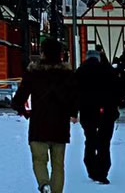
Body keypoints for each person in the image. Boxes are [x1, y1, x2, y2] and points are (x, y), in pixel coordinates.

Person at [11, 38, 78, 193]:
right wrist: (73, 113)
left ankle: (44, 184)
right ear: (60, 54)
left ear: (43, 53)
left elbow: (18, 100)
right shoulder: (67, 73)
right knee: (58, 164)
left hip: (39, 123)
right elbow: (74, 97)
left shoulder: (33, 73)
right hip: (60, 125)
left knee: (39, 160)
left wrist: (25, 112)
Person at [76, 50, 121, 185]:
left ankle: (91, 168)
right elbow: (118, 89)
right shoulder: (108, 70)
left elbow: (73, 91)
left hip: (87, 111)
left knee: (90, 139)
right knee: (104, 142)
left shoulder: (80, 71)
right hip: (107, 110)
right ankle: (102, 172)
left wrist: (74, 110)